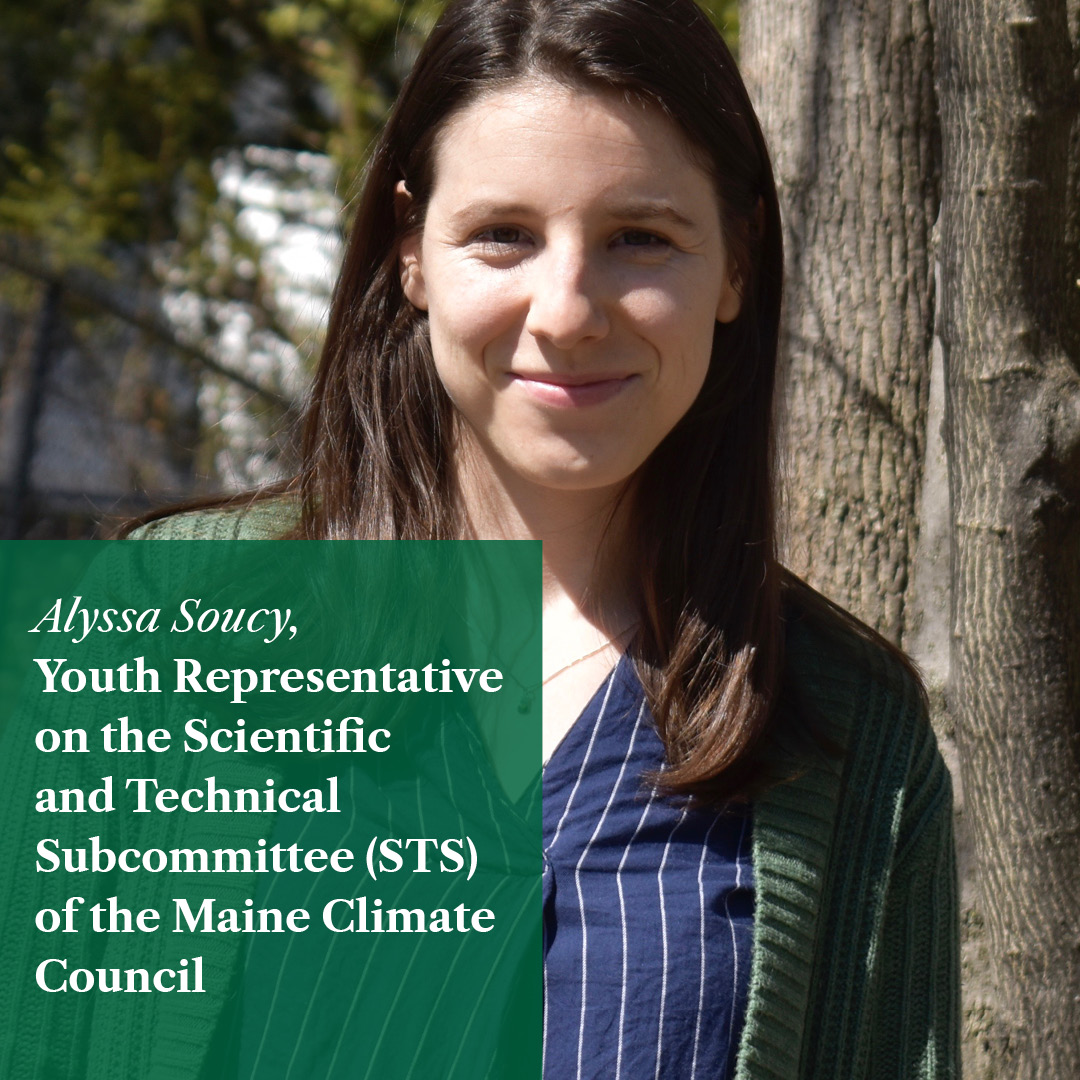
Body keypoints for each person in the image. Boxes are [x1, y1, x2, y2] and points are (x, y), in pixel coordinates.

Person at [125, 0, 955, 1075]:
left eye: (639, 239)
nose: (566, 310)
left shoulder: (852, 741)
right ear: (411, 253)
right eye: (504, 235)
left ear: (737, 266)